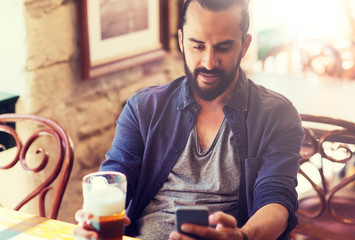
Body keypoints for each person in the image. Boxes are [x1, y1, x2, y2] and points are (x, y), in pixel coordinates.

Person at [74, 0, 304, 239]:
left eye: (223, 48)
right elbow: (115, 175)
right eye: (198, 46)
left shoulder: (276, 115)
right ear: (182, 40)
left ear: (244, 46)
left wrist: (242, 236)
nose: (208, 62)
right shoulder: (143, 107)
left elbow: (277, 200)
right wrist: (93, 218)